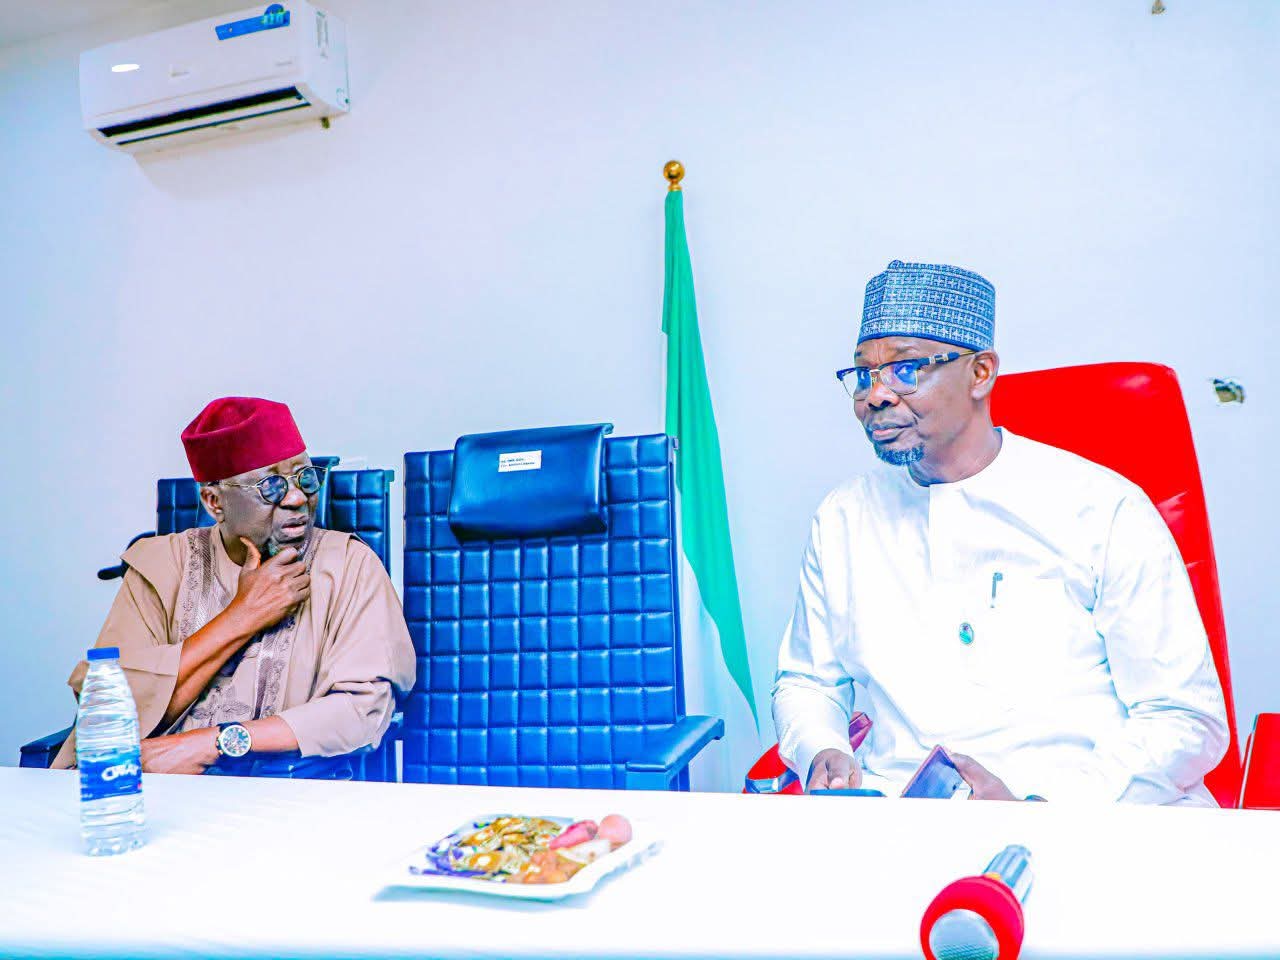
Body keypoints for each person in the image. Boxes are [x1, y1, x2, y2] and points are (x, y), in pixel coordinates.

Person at [772, 260, 1228, 804]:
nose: (876, 395)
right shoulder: (844, 517)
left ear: (981, 373)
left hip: (1086, 815)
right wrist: (821, 747)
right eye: (863, 375)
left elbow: (1181, 717)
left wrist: (1041, 808)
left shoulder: (1100, 508)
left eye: (905, 370)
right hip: (897, 815)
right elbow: (808, 681)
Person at [53, 396, 415, 775]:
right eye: (271, 486)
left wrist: (212, 743)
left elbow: (361, 709)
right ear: (214, 501)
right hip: (155, 794)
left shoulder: (349, 564)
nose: (297, 499)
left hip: (292, 796)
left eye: (305, 477)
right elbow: (108, 713)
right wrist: (241, 616)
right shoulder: (160, 566)